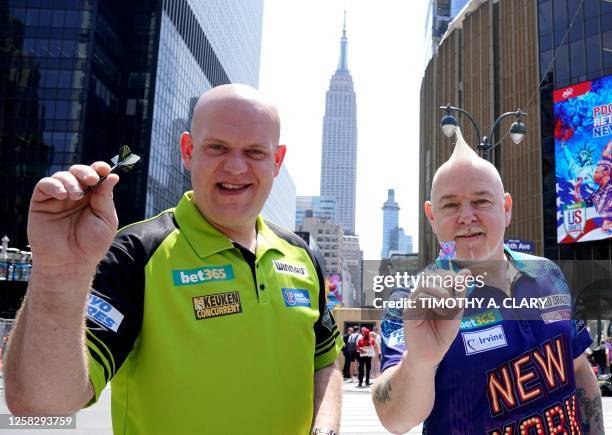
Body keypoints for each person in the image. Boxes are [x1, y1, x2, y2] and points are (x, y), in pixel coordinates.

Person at [5, 84, 345, 435]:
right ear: (188, 150)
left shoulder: (302, 255)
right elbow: (40, 402)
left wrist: (326, 426)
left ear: (276, 161)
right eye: (217, 147)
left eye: (255, 152)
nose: (236, 166)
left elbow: (326, 359)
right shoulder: (136, 252)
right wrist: (59, 271)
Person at [372, 128, 603, 434]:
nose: (466, 216)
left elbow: (578, 370)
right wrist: (419, 363)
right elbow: (395, 419)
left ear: (506, 209)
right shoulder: (414, 299)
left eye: (481, 201)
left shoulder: (549, 275)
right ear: (431, 216)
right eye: (450, 205)